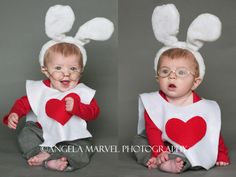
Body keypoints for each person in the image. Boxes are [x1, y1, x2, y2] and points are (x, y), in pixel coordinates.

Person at [2, 5, 114, 172]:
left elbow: (94, 112)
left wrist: (77, 108)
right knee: (26, 134)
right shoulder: (39, 89)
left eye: (73, 69)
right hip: (42, 133)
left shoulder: (82, 92)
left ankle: (57, 158)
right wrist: (15, 113)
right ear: (45, 70)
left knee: (86, 148)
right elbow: (23, 103)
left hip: (72, 138)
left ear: (81, 71)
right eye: (58, 68)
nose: (66, 74)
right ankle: (37, 154)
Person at [133, 4, 230, 173]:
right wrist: (158, 150)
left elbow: (214, 134)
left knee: (195, 152)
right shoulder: (153, 102)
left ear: (195, 82)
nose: (172, 76)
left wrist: (221, 154)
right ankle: (155, 159)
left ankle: (174, 163)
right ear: (157, 77)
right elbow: (153, 130)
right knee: (139, 141)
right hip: (161, 143)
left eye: (181, 72)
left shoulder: (205, 108)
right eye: (165, 72)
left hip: (186, 145)